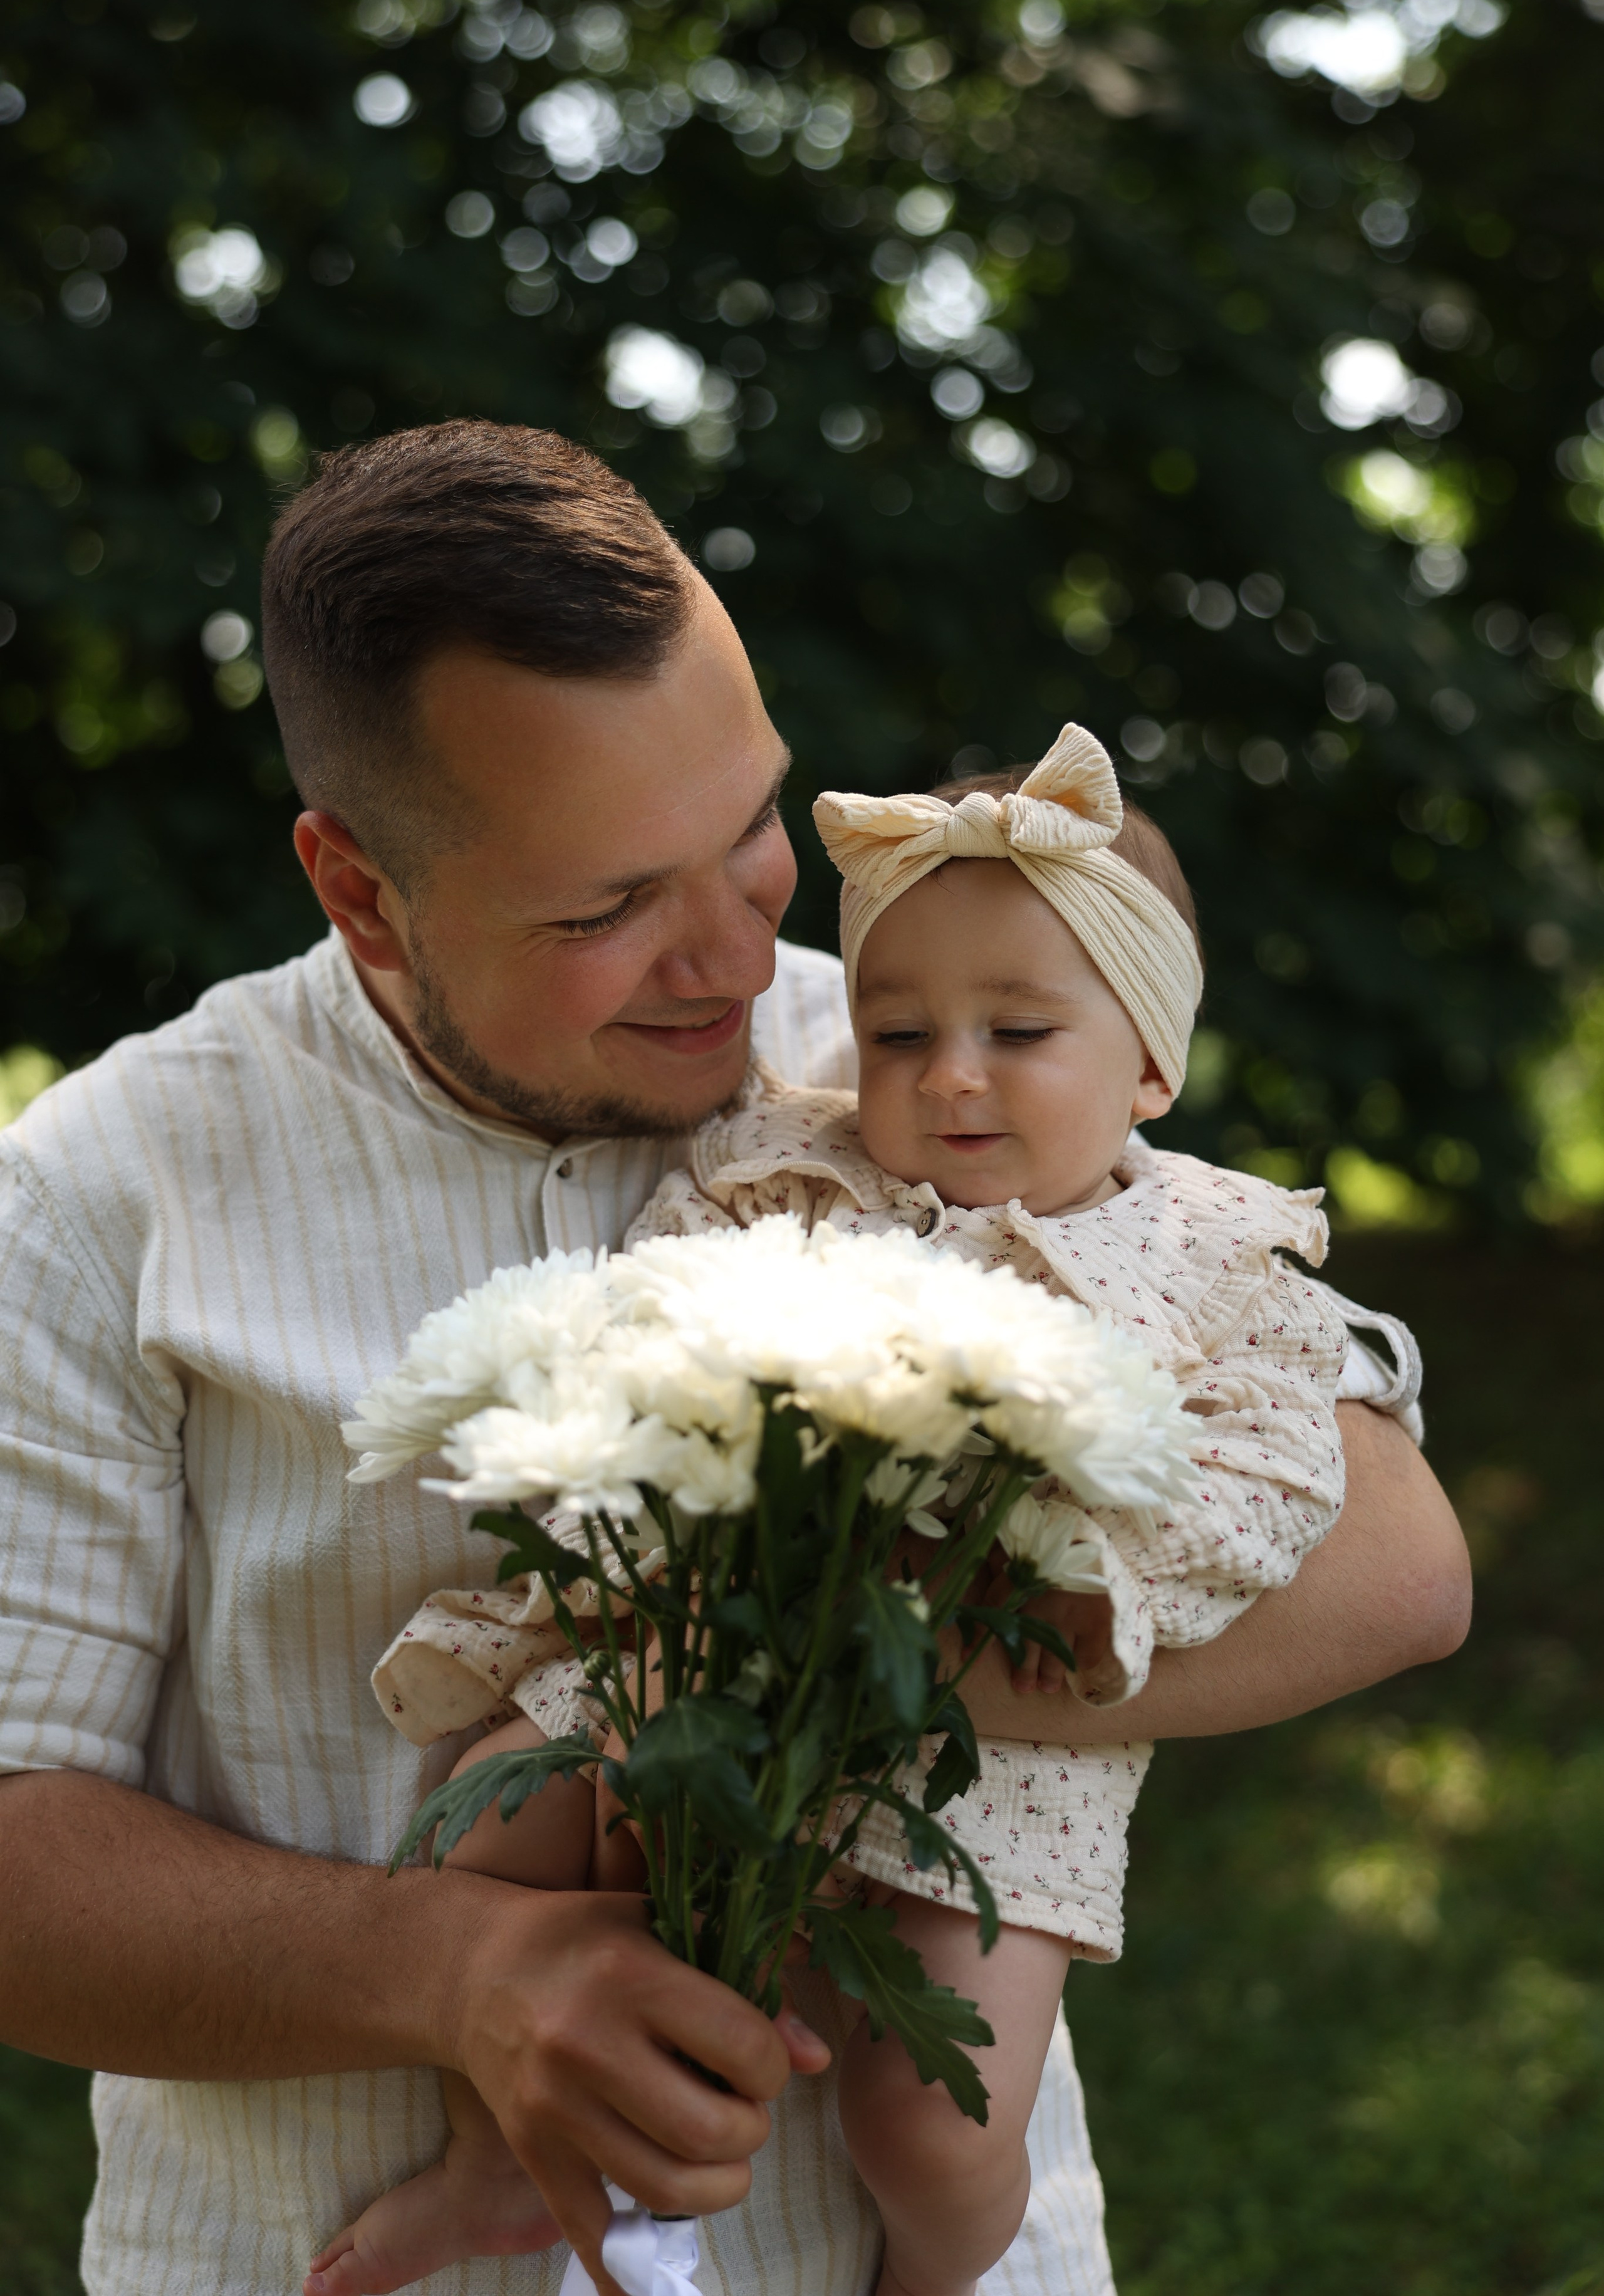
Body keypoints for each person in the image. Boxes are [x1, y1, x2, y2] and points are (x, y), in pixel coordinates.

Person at [0, 422, 1469, 2296]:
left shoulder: (930, 1048)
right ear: (359, 889)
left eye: (754, 832)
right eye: (609, 907)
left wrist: (820, 1670)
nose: (731, 953)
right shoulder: (90, 1205)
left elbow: (1397, 1556)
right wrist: (453, 1972)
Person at [327, 721, 1410, 2296]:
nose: (949, 1074)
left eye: (1020, 1031)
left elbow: (1272, 1474)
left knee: (940, 2123)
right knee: (489, 1827)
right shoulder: (786, 1167)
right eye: (898, 1036)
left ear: (1152, 1065)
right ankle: (493, 2167)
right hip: (712, 1646)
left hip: (997, 1747)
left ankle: (930, 2274)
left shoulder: (1216, 1261)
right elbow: (661, 1299)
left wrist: (1097, 1575)